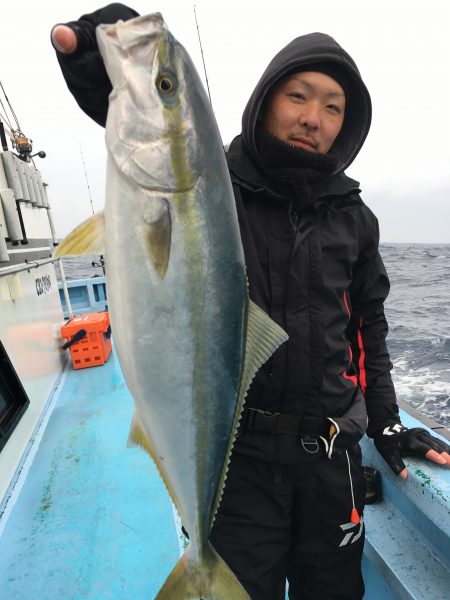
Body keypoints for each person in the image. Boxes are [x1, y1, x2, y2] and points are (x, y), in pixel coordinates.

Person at [51, 5, 450, 599]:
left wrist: (388, 424)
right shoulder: (219, 189)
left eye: (333, 107)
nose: (313, 118)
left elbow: (370, 331)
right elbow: (160, 146)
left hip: (330, 459)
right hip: (240, 457)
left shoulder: (356, 219)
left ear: (347, 124)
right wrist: (98, 71)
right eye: (298, 96)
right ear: (266, 100)